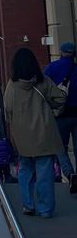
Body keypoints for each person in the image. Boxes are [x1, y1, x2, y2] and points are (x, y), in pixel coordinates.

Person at [4, 46, 65, 218]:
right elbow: (60, 98)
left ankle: (28, 204)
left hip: (22, 135)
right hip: (44, 133)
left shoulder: (12, 85)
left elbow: (7, 109)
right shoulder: (43, 81)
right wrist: (49, 106)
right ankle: (45, 209)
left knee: (25, 169)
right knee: (44, 172)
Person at [44, 40, 77, 193]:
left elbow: (42, 89)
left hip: (60, 114)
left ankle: (70, 174)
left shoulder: (51, 68)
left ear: (61, 52)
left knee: (60, 147)